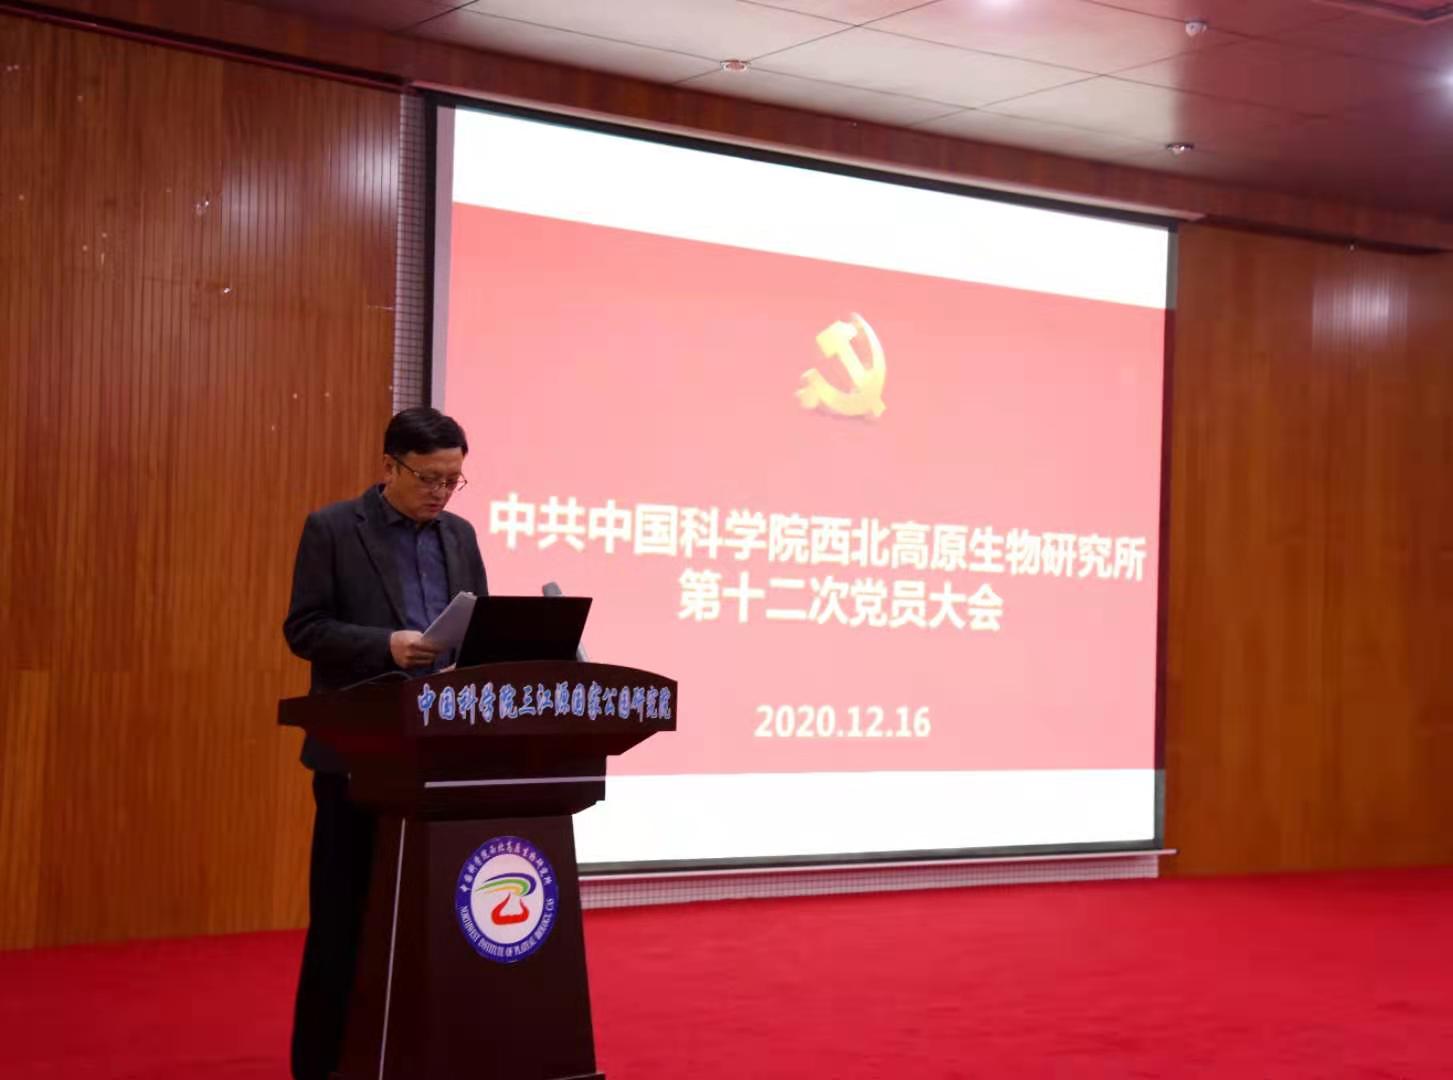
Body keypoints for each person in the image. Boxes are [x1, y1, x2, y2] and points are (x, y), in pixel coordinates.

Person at [282, 406, 488, 1080]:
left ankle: (415, 1053)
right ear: (389, 466)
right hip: (360, 754)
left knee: (431, 917)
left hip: (439, 753)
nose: (441, 492)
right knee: (345, 914)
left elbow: (477, 630)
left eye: (453, 480)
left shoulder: (459, 535)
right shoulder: (334, 528)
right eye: (429, 478)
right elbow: (305, 629)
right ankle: (323, 1063)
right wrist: (386, 646)